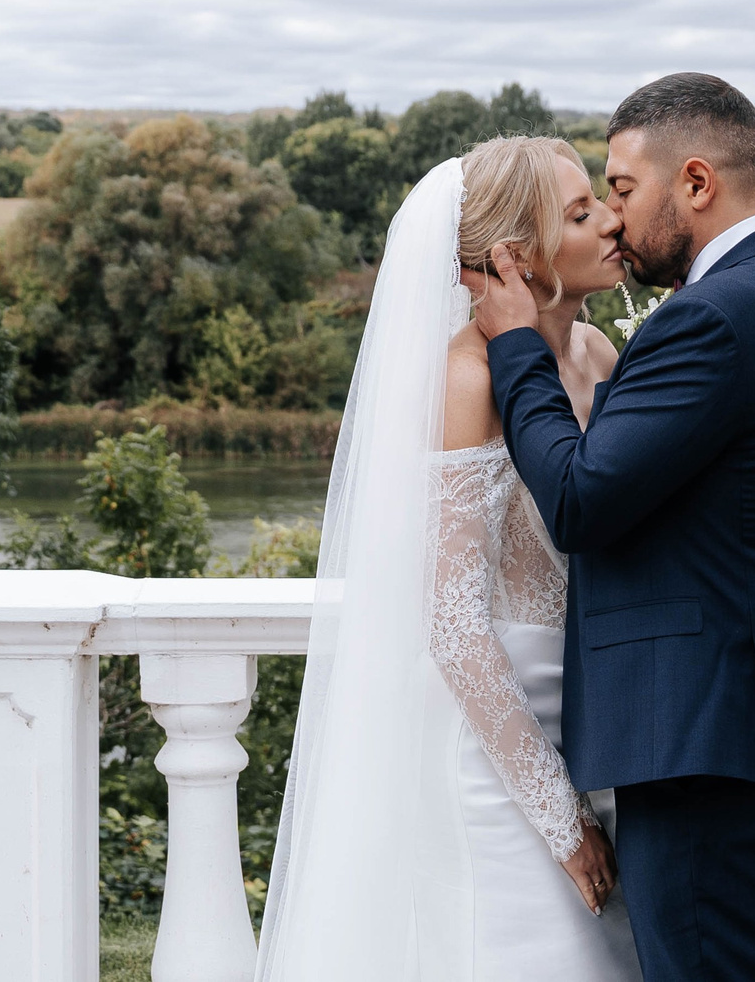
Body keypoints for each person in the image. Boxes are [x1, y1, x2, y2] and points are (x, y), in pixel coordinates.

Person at [468, 73, 755, 982]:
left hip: (708, 751)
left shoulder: (711, 321)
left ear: (694, 183)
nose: (614, 217)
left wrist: (518, 348)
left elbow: (576, 500)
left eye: (620, 188)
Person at [256, 136, 644, 982]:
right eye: (580, 213)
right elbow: (453, 624)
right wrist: (559, 816)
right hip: (499, 750)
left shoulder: (600, 357)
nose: (612, 220)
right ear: (513, 258)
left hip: (599, 727)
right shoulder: (465, 380)